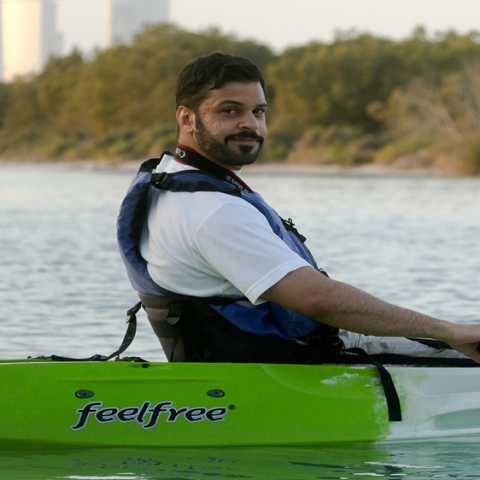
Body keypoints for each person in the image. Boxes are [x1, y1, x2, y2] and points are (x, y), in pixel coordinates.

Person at [117, 52, 480, 364]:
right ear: (186, 118)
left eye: (258, 111)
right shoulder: (211, 210)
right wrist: (448, 331)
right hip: (293, 366)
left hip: (245, 358)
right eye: (230, 111)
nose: (250, 124)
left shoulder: (168, 178)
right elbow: (317, 299)